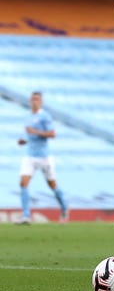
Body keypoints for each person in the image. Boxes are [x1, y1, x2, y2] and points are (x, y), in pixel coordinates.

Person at [16, 91, 68, 224]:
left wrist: (35, 132)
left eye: (37, 99)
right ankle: (26, 216)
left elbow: (52, 134)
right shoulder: (27, 116)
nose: (34, 101)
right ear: (29, 101)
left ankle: (64, 207)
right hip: (30, 156)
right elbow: (31, 137)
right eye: (33, 99)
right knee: (23, 183)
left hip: (44, 157)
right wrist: (25, 141)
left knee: (52, 185)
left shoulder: (45, 116)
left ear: (41, 102)